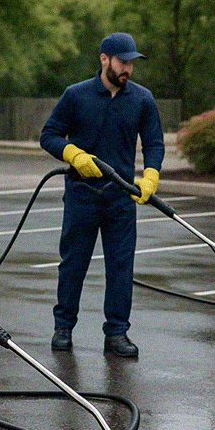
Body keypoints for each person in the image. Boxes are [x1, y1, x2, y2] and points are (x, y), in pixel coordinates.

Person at [39, 32, 165, 357]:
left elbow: (153, 142)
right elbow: (49, 134)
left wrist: (150, 175)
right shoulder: (76, 95)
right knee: (73, 263)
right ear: (104, 59)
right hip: (82, 194)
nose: (127, 70)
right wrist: (73, 154)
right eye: (123, 62)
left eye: (131, 64)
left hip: (122, 197)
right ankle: (63, 327)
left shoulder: (142, 99)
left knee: (121, 266)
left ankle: (117, 334)